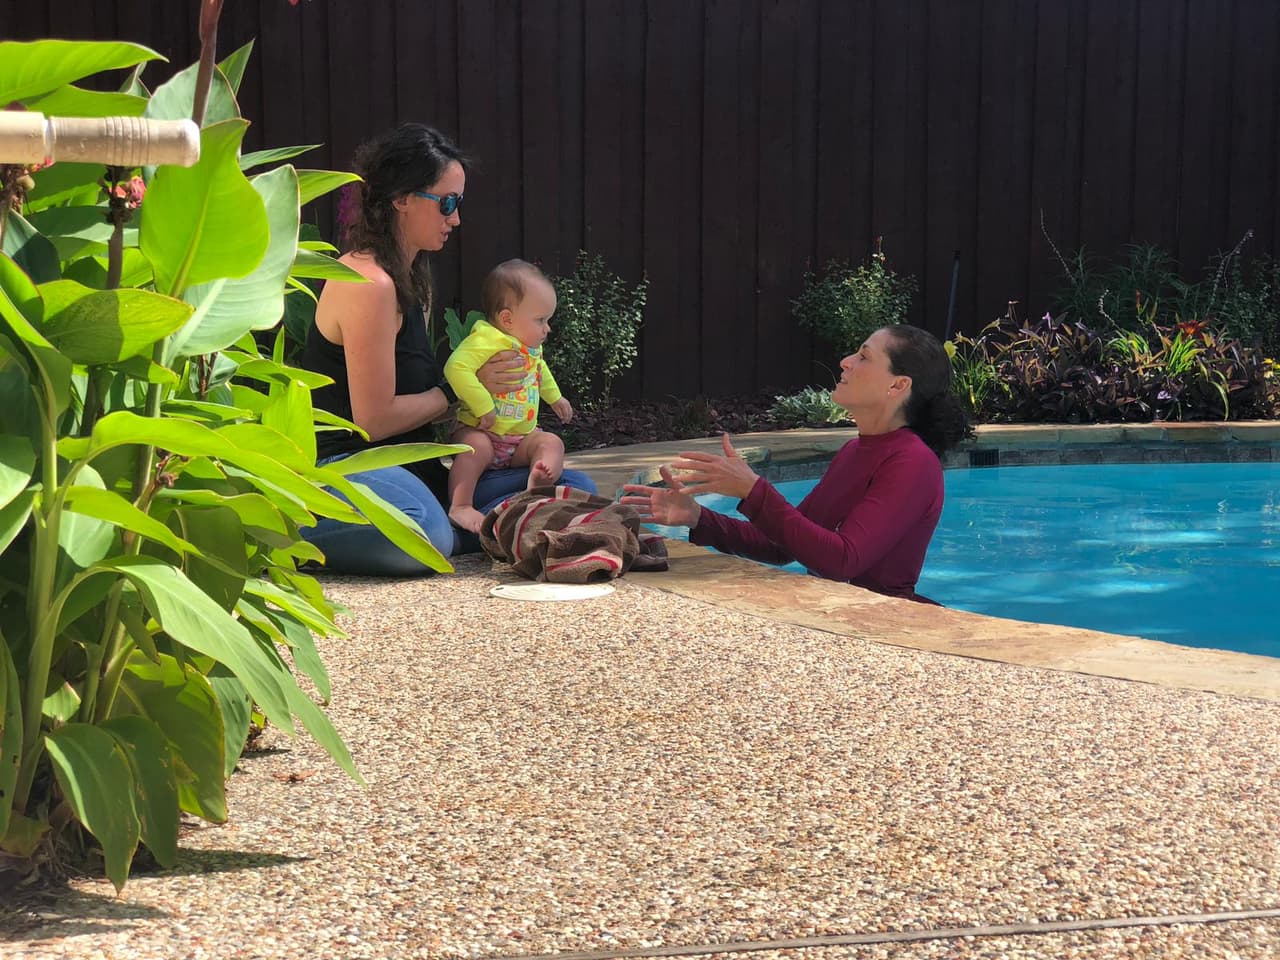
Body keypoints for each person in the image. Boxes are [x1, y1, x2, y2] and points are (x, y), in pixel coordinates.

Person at [299, 123, 595, 575]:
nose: (455, 219)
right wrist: (457, 392)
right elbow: (371, 421)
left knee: (572, 484)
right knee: (425, 531)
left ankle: (477, 526)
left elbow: (425, 406)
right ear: (401, 198)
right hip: (346, 466)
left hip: (408, 465)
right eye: (447, 203)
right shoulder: (370, 284)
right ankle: (288, 530)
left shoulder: (412, 276)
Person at [620, 325, 971, 601]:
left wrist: (755, 491)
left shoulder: (912, 462)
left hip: (886, 628)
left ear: (898, 385)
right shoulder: (855, 451)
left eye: (864, 357)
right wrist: (697, 516)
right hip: (834, 616)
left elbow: (843, 559)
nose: (846, 362)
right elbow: (782, 546)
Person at [443, 259, 574, 533]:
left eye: (547, 320)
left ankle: (538, 487)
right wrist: (483, 406)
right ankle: (461, 505)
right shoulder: (486, 340)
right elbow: (456, 367)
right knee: (475, 448)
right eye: (540, 320)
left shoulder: (530, 346)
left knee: (551, 443)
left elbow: (540, 371)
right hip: (481, 429)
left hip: (520, 438)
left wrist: (556, 398)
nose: (547, 328)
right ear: (507, 319)